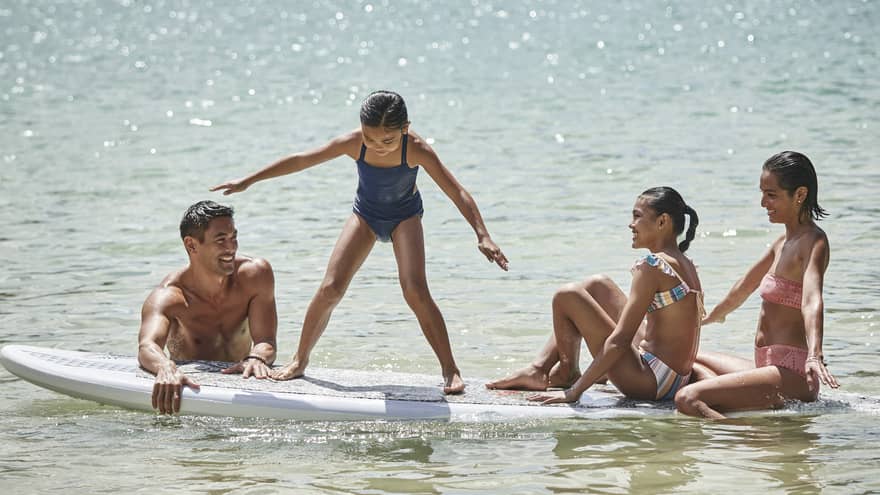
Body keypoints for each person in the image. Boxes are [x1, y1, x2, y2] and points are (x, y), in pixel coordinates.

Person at [210, 90, 508, 394]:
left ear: (405, 129)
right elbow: (301, 160)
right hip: (365, 216)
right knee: (330, 288)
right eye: (370, 138)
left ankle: (450, 369)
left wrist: (482, 235)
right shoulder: (353, 142)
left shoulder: (416, 149)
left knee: (415, 290)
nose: (378, 146)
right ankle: (299, 361)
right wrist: (249, 180)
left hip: (404, 217)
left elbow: (456, 191)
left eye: (387, 140)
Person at [488, 187, 703, 405]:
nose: (631, 224)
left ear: (662, 221)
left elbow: (620, 340)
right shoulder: (684, 263)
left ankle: (568, 374)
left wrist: (575, 392)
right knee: (598, 284)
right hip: (674, 378)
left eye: (637, 216)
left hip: (650, 383)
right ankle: (542, 369)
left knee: (567, 295)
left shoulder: (653, 266)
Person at [675, 151, 839, 418]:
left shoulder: (814, 241)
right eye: (762, 193)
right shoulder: (782, 242)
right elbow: (743, 288)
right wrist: (706, 320)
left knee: (687, 398)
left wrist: (814, 354)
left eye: (771, 194)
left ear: (799, 194)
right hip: (766, 366)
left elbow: (812, 300)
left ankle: (750, 435)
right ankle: (732, 400)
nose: (763, 202)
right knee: (685, 357)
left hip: (792, 374)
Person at [137, 200, 278, 414]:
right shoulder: (169, 297)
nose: (231, 247)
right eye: (221, 240)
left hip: (242, 376)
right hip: (194, 391)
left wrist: (257, 358)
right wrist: (165, 368)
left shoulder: (255, 275)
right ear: (191, 245)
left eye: (234, 237)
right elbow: (147, 346)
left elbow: (266, 340)